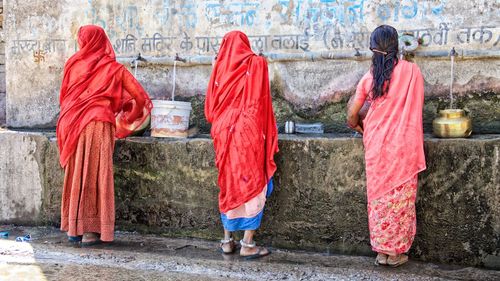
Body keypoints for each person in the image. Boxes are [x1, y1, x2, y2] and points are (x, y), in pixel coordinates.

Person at [57, 25, 152, 246]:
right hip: (99, 124)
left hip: (72, 124)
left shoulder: (72, 65)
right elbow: (140, 97)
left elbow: (65, 97)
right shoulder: (114, 69)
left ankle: (74, 228)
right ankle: (90, 232)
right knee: (95, 174)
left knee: (77, 172)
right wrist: (129, 119)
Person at [347, 25, 426, 267]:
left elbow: (351, 114)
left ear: (372, 49)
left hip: (376, 146)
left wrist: (362, 127)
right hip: (403, 147)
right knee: (400, 201)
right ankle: (395, 253)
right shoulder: (412, 71)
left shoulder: (370, 77)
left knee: (379, 200)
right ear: (396, 46)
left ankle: (382, 252)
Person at [205, 31, 279, 259]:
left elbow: (209, 108)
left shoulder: (219, 66)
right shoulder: (256, 63)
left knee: (229, 184)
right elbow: (260, 101)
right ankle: (247, 244)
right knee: (254, 185)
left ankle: (227, 241)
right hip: (248, 130)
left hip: (222, 129)